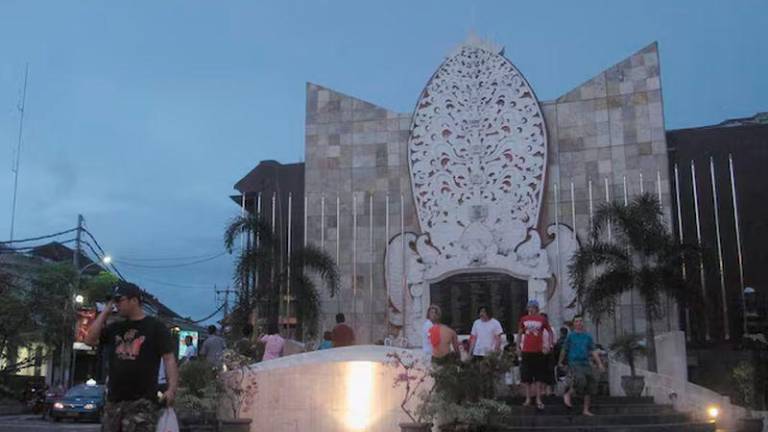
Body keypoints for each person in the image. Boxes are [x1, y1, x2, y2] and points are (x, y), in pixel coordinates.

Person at [84, 282, 178, 432]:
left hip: (142, 402)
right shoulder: (115, 328)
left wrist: (171, 389)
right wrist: (105, 313)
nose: (116, 305)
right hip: (114, 401)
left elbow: (169, 358)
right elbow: (89, 340)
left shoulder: (155, 327)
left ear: (134, 300)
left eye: (119, 300)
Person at [558, 315, 605, 416]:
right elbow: (564, 349)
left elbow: (593, 351)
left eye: (580, 321)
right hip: (574, 362)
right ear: (574, 324)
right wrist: (560, 361)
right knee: (580, 380)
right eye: (577, 321)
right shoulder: (570, 336)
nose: (579, 323)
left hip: (585, 363)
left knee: (590, 385)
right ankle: (568, 393)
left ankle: (586, 409)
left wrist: (600, 364)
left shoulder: (588, 336)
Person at [517, 299, 552, 410]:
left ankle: (538, 399)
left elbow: (550, 332)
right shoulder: (524, 319)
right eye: (529, 307)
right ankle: (528, 398)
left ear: (536, 308)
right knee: (526, 377)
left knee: (538, 377)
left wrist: (549, 346)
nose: (530, 309)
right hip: (526, 351)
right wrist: (518, 346)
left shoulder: (542, 319)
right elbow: (519, 333)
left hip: (538, 351)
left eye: (532, 307)